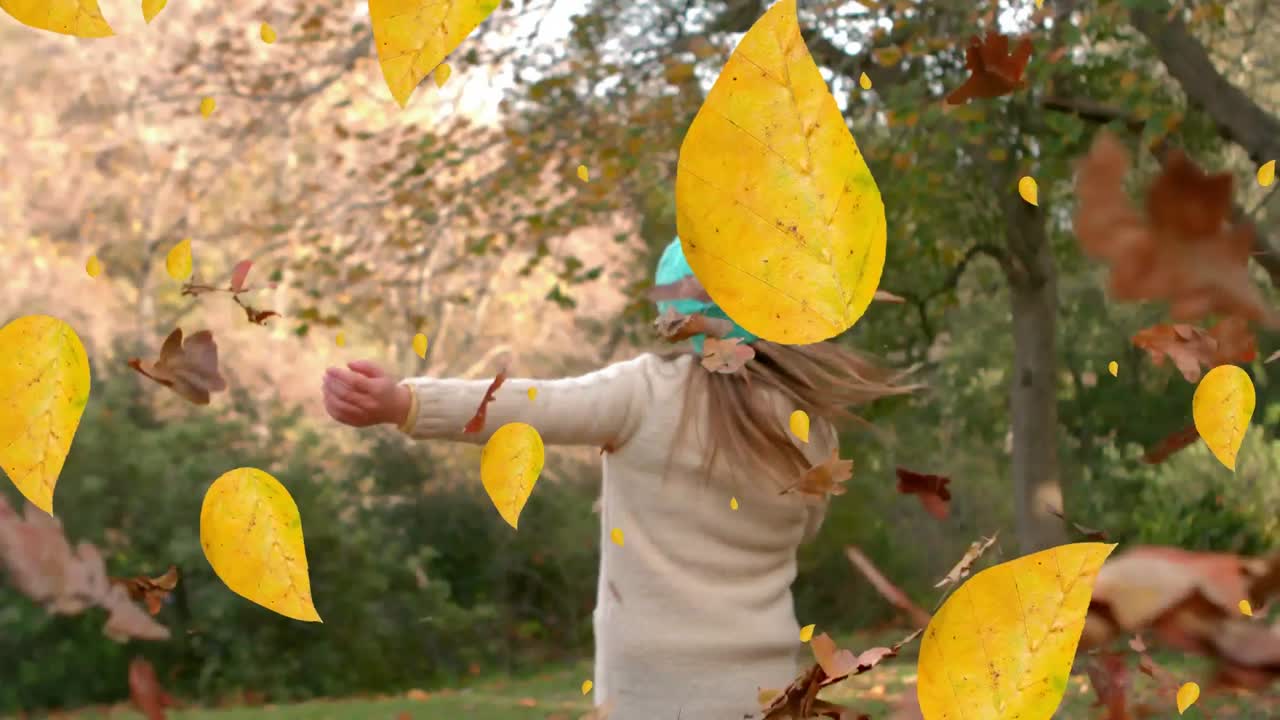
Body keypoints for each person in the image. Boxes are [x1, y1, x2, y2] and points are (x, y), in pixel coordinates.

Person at [322, 238, 915, 719]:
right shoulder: (811, 427)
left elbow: (530, 407)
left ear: (673, 317)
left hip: (648, 693)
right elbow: (803, 529)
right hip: (764, 690)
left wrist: (403, 402)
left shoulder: (645, 392)